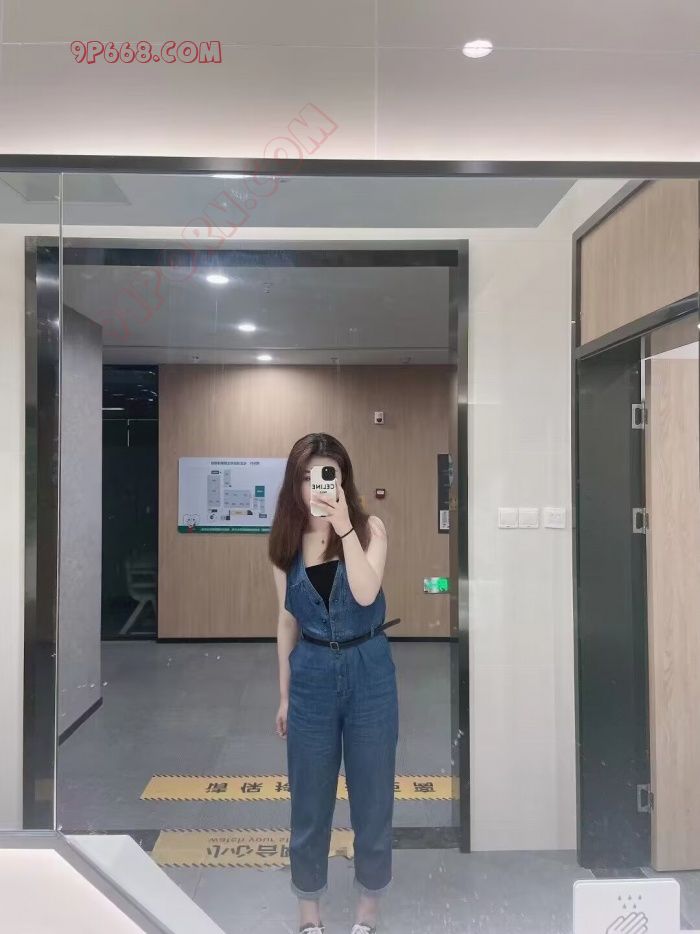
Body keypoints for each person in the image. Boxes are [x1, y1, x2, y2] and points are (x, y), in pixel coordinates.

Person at [268, 432, 399, 934]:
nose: (315, 487)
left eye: (326, 475)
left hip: (370, 672)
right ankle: (309, 916)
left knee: (372, 797)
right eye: (305, 477)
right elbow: (286, 622)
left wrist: (344, 527)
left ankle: (367, 911)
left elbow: (364, 594)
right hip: (312, 674)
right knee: (309, 800)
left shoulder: (370, 530)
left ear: (343, 479)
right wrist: (284, 695)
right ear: (294, 484)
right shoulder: (284, 544)